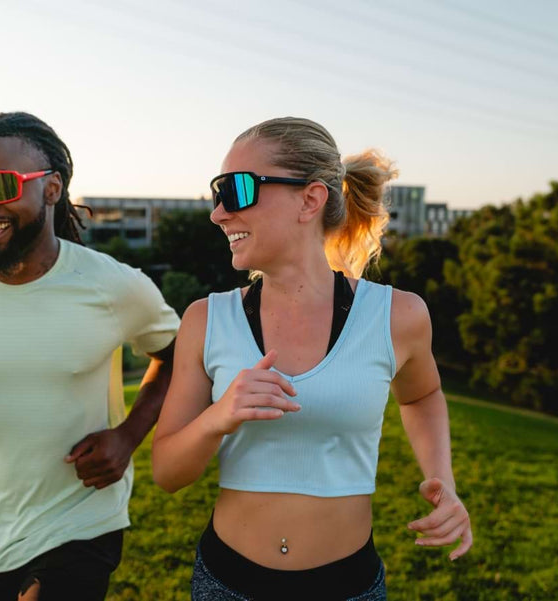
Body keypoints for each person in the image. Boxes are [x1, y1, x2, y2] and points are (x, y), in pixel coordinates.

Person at [151, 117, 472, 600]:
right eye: (217, 193)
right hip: (226, 583)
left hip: (348, 587)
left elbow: (421, 395)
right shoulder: (205, 319)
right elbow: (167, 473)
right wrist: (218, 417)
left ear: (310, 200)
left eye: (236, 190)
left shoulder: (398, 316)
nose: (218, 213)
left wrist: (442, 478)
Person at [0, 112, 179, 600]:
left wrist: (128, 436)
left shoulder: (112, 285)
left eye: (0, 185)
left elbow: (176, 355)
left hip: (82, 517)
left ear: (51, 188)